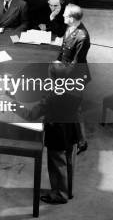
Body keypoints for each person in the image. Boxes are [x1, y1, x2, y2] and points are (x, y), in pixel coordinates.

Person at [13, 76, 82, 205]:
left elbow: (31, 115)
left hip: (56, 135)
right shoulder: (75, 92)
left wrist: (13, 105)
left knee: (57, 165)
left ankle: (60, 195)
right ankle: (68, 191)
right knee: (68, 163)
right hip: (71, 132)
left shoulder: (50, 98)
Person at [50, 3, 91, 154]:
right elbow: (64, 49)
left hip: (74, 75)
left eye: (66, 15)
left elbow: (76, 62)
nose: (63, 16)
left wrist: (60, 73)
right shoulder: (71, 27)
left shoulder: (82, 36)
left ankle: (81, 141)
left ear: (73, 19)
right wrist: (58, 61)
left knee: (75, 109)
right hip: (64, 70)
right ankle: (77, 139)